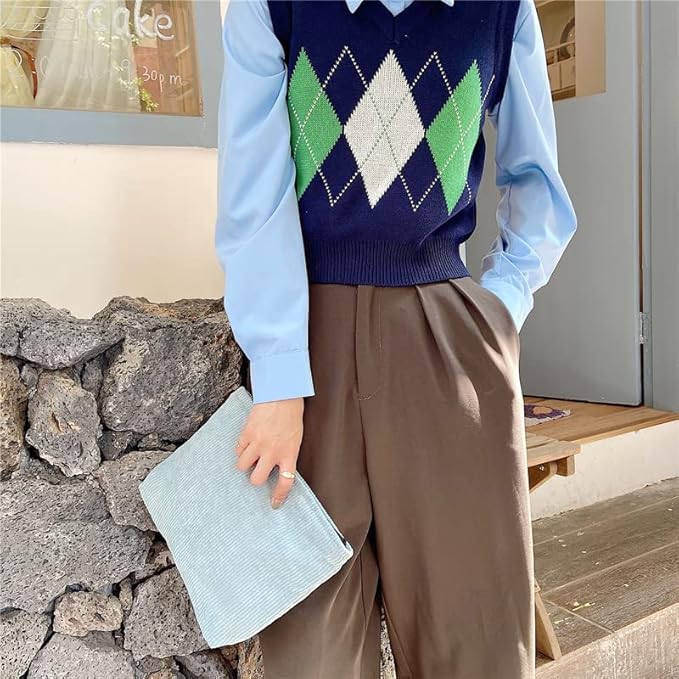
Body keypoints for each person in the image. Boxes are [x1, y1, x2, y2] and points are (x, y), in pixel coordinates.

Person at [214, 0, 577, 677]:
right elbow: (252, 196)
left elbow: (538, 187)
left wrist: (495, 312)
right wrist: (278, 377)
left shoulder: (502, 10)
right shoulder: (271, 7)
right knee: (313, 644)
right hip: (307, 344)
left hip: (447, 335)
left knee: (473, 635)